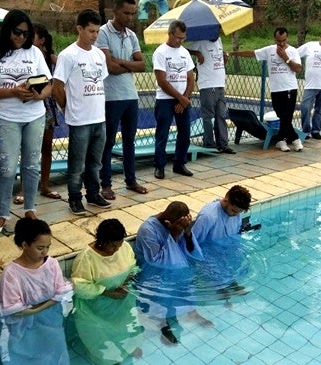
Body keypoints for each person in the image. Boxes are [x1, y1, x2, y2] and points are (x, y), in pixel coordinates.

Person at [0, 10, 53, 234]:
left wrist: (39, 95)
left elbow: (48, 83)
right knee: (7, 168)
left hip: (34, 115)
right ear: (7, 30)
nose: (20, 37)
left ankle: (30, 208)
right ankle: (2, 213)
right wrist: (14, 93)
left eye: (25, 33)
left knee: (31, 164)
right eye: (16, 32)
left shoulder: (34, 53)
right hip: (7, 116)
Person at [53, 9, 111, 215]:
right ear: (79, 29)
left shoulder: (98, 55)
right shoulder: (68, 55)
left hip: (99, 117)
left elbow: (100, 82)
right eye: (91, 31)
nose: (95, 36)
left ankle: (93, 194)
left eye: (97, 31)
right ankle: (75, 197)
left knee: (95, 162)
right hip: (79, 120)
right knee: (77, 163)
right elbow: (57, 85)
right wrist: (67, 108)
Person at [133, 201, 212, 344]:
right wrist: (174, 235)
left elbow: (189, 251)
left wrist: (187, 233)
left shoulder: (179, 226)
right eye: (180, 227)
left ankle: (192, 313)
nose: (181, 229)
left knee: (186, 284)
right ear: (168, 221)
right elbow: (157, 261)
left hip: (176, 268)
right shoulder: (148, 229)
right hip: (151, 273)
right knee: (161, 293)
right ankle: (163, 324)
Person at [0, 218, 72, 365]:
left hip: (51, 323)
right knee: (27, 357)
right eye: (40, 248)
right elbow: (13, 310)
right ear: (25, 245)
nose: (45, 252)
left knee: (54, 354)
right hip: (24, 329)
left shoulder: (51, 264)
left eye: (48, 247)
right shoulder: (12, 273)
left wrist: (32, 310)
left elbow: (62, 292)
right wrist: (47, 303)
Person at [96, 0, 149, 201]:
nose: (130, 17)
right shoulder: (103, 33)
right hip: (111, 97)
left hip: (130, 96)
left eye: (133, 14)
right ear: (116, 10)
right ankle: (106, 184)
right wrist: (127, 64)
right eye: (126, 13)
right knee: (107, 142)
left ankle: (131, 180)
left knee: (129, 141)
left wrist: (122, 62)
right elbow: (110, 67)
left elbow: (143, 65)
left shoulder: (132, 35)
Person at [70, 218, 143, 364]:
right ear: (102, 241)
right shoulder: (87, 258)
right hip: (96, 306)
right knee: (99, 334)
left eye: (119, 245)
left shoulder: (124, 247)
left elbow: (132, 266)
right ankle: (107, 358)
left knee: (126, 323)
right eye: (112, 246)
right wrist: (107, 292)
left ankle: (127, 347)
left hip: (121, 300)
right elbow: (80, 287)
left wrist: (127, 282)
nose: (116, 250)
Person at [231, 27, 304, 152]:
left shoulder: (293, 51)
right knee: (282, 116)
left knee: (287, 116)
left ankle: (289, 140)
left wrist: (285, 57)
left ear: (287, 38)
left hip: (289, 88)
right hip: (276, 90)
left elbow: (298, 69)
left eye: (284, 40)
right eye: (278, 41)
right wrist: (232, 53)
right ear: (274, 39)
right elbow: (252, 53)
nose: (281, 43)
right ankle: (288, 139)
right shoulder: (269, 50)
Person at [13, 23, 62, 205]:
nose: (25, 37)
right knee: (28, 150)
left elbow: (58, 75)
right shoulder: (23, 54)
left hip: (45, 103)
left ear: (41, 39)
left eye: (30, 35)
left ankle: (45, 185)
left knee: (46, 148)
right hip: (29, 102)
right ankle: (26, 188)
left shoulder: (47, 56)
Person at [152, 20, 196, 179]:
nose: (179, 41)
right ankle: (159, 166)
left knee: (184, 132)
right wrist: (180, 98)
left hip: (182, 98)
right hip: (165, 99)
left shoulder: (184, 53)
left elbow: (191, 78)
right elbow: (162, 81)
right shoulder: (161, 52)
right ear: (170, 34)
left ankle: (180, 163)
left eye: (182, 38)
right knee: (162, 133)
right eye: (177, 37)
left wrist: (184, 98)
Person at [187, 37, 236, 154]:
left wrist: (225, 59)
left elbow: (219, 62)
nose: (218, 32)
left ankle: (223, 144)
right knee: (208, 116)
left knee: (221, 115)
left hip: (220, 84)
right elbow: (186, 50)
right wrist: (197, 53)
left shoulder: (219, 40)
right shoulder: (200, 41)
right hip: (207, 84)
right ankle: (209, 144)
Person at [297, 30, 321, 140]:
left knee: (320, 109)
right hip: (311, 84)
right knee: (305, 107)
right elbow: (296, 54)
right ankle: (306, 130)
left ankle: (316, 130)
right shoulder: (310, 45)